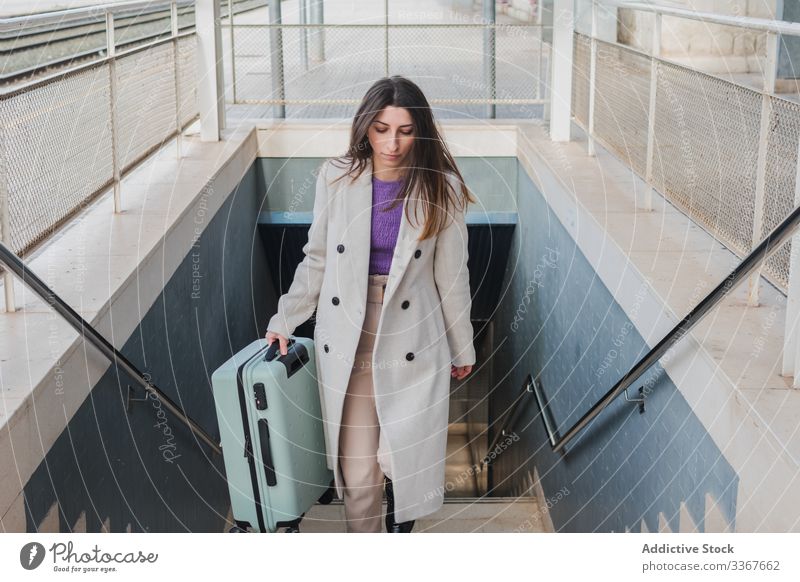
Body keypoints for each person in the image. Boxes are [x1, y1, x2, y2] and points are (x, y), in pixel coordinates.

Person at [265, 75, 477, 533]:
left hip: (414, 335)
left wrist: (463, 349)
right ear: (365, 127)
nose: (392, 143)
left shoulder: (445, 190)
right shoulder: (337, 178)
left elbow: (452, 279)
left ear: (419, 130)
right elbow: (317, 258)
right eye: (381, 129)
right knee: (359, 471)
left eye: (404, 130)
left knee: (404, 461)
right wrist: (285, 317)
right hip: (350, 333)